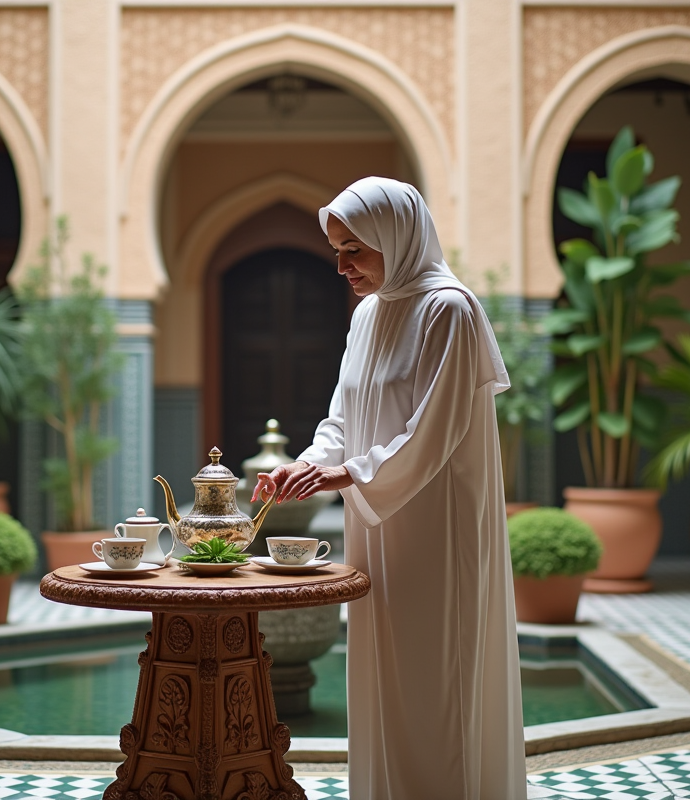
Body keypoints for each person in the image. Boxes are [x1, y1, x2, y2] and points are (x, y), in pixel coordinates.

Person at [252, 176, 526, 800]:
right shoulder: (371, 312)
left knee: (438, 674)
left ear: (396, 238)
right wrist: (309, 464)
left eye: (356, 249)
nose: (343, 265)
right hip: (376, 522)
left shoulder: (448, 309)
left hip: (438, 525)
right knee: (384, 672)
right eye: (337, 251)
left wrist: (347, 473)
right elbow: (343, 418)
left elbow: (437, 430)